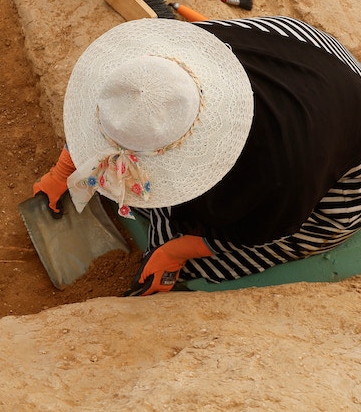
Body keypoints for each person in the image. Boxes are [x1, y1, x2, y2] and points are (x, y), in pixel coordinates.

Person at [34, 16, 361, 296]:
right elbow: (114, 113)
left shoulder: (282, 178)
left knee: (189, 227)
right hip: (301, 52)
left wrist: (175, 253)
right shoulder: (168, 64)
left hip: (342, 165)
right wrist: (64, 169)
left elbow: (261, 230)